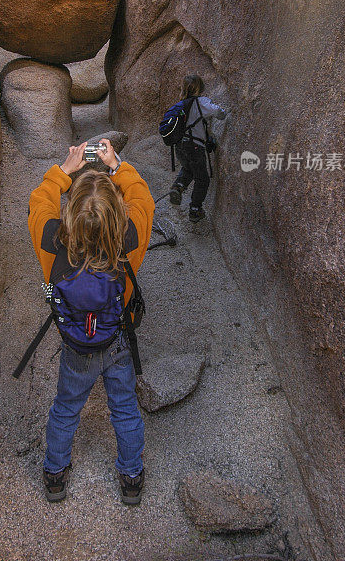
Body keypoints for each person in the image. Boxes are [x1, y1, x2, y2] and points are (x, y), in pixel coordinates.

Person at [28, 139, 155, 505]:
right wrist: (116, 165)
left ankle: (55, 474)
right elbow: (143, 199)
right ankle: (131, 477)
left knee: (66, 408)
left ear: (70, 213)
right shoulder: (129, 239)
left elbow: (39, 202)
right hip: (115, 340)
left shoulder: (51, 241)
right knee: (125, 408)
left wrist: (65, 170)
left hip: (75, 346)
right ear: (119, 213)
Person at [169, 74, 227, 222]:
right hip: (194, 146)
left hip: (179, 145)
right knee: (202, 179)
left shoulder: (181, 104)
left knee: (188, 168)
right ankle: (195, 209)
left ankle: (178, 187)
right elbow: (219, 113)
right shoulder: (202, 102)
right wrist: (225, 112)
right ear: (200, 87)